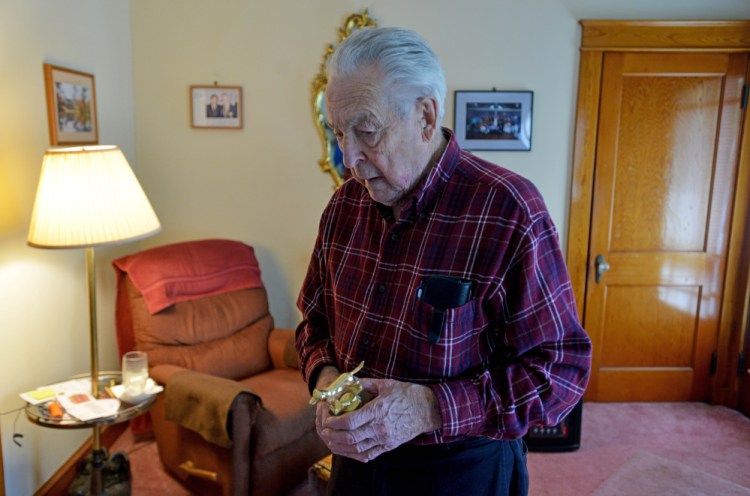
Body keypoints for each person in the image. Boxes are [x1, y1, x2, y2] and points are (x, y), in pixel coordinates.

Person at [296, 26, 591, 496]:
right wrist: (326, 378)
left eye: (367, 131)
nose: (349, 157)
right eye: (339, 132)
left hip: (462, 469)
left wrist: (430, 408)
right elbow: (313, 323)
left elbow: (560, 373)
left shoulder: (510, 209)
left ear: (426, 117)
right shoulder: (343, 206)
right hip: (356, 468)